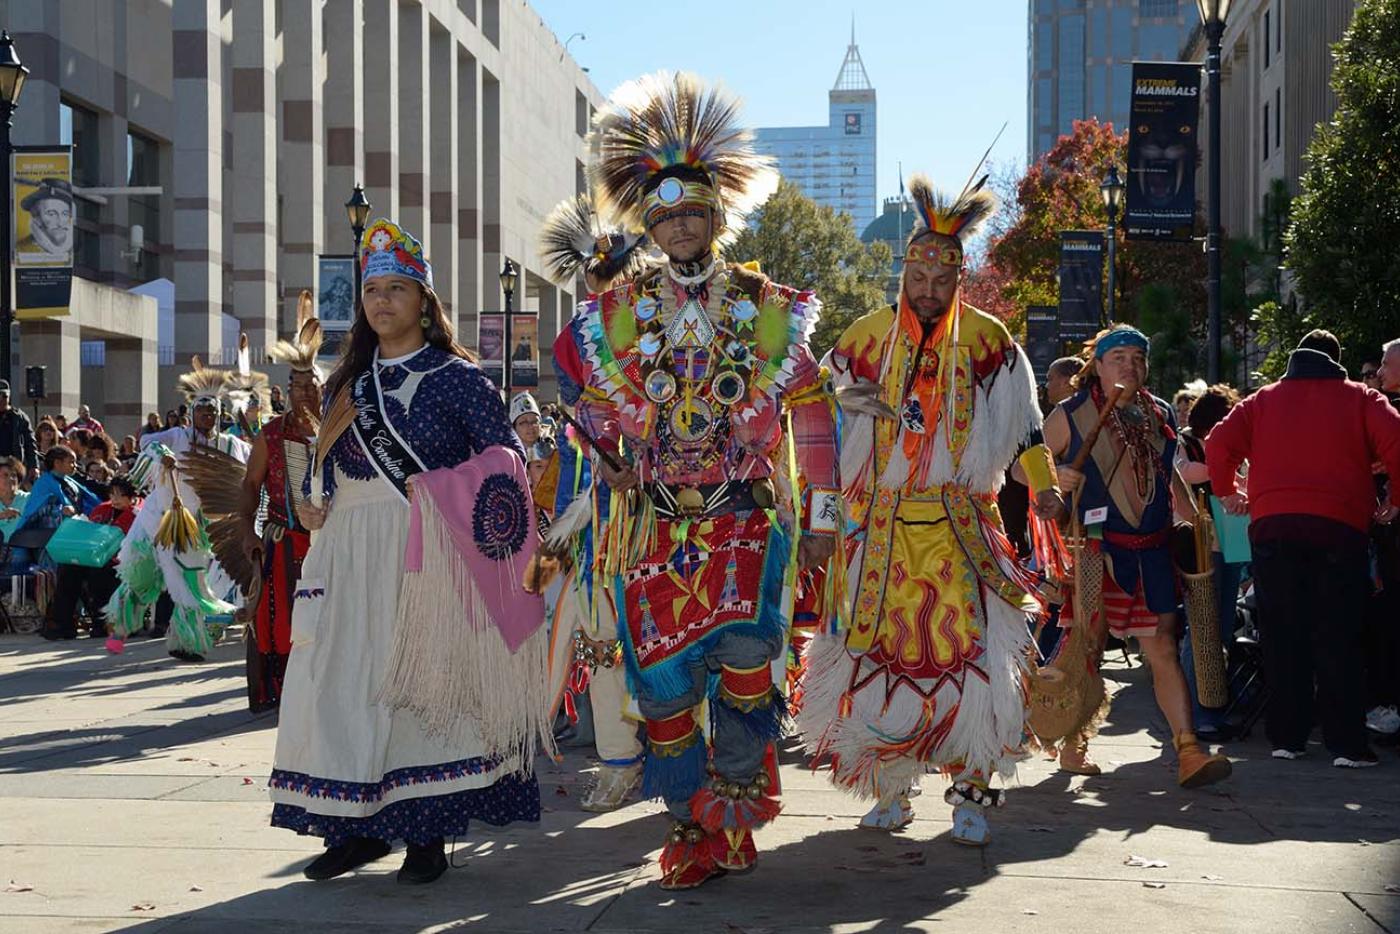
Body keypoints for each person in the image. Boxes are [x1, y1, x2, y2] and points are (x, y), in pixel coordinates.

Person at [551, 72, 836, 890]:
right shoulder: (617, 313)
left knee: (748, 667)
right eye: (665, 213)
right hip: (654, 525)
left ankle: (736, 821)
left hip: (744, 519)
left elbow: (811, 412)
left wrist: (819, 517)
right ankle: (689, 822)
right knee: (665, 689)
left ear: (718, 215)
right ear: (651, 222)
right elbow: (595, 404)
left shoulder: (768, 305)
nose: (680, 224)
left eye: (694, 210)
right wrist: (606, 444)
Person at [270, 218, 542, 886]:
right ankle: (357, 828)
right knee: (345, 688)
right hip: (346, 551)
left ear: (424, 299)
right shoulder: (344, 384)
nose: (383, 301)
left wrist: (442, 493)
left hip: (427, 552)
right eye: (372, 291)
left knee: (423, 692)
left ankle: (427, 836)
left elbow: (510, 460)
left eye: (397, 288)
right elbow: (320, 470)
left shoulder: (457, 379)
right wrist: (307, 501)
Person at [797, 172, 1063, 847]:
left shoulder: (987, 340)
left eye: (942, 278)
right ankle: (892, 788)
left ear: (959, 277)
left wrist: (1044, 486)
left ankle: (971, 792)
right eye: (918, 273)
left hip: (961, 527)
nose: (928, 288)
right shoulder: (864, 336)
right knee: (874, 656)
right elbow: (819, 424)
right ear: (904, 271)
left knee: (977, 660)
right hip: (878, 529)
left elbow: (1026, 427)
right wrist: (822, 523)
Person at [1044, 326, 1232, 788]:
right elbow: (1024, 466)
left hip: (1152, 552)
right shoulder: (1069, 415)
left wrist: (1195, 525)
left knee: (1163, 648)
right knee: (1087, 647)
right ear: (1098, 365)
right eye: (1118, 357)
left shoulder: (1158, 412)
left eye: (1137, 357)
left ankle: (1188, 749)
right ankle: (1072, 743)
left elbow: (1169, 477)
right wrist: (1057, 479)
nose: (1130, 365)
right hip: (1096, 550)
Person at [1208, 330, 1400, 768]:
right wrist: (1395, 501)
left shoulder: (1262, 400)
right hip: (1340, 526)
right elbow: (1397, 441)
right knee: (1339, 635)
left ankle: (1286, 737)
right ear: (1338, 361)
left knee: (1281, 633)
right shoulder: (1360, 399)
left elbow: (1219, 443)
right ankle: (1346, 745)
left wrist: (1227, 490)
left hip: (1275, 524)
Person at [107, 360, 253, 661]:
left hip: (192, 529)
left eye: (212, 411)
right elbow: (146, 443)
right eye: (202, 410)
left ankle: (183, 642)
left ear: (220, 414)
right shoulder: (176, 436)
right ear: (192, 414)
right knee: (138, 577)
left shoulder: (231, 445)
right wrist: (162, 454)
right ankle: (118, 627)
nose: (207, 415)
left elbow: (257, 461)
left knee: (190, 585)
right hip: (155, 520)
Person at [236, 311, 323, 713]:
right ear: (286, 391)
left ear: (322, 388)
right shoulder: (270, 436)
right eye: (296, 386)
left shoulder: (340, 432)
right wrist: (247, 532)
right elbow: (250, 485)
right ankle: (284, 690)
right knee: (280, 620)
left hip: (328, 543)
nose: (304, 393)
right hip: (283, 540)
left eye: (310, 386)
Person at [1175, 383, 1244, 738]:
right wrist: (1224, 466)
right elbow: (1186, 473)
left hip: (1230, 539)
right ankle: (1197, 713)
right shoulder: (1183, 442)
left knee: (1223, 625)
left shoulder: (1234, 445)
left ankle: (1213, 707)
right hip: (1200, 544)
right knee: (1200, 627)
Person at [44, 477, 139, 641]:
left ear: (130, 497)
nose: (115, 499)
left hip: (122, 562)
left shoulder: (138, 514)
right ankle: (62, 623)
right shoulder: (102, 509)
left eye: (120, 495)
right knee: (68, 568)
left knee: (99, 572)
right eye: (112, 495)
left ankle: (101, 621)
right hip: (94, 556)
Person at [16, 178, 74, 257]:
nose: (60, 222)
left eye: (65, 214)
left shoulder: (75, 247)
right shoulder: (21, 249)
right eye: (51, 214)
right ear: (37, 218)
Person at [0, 380, 38, 482]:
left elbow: (30, 443)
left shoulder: (19, 417)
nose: (1, 400)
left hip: (13, 464)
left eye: (4, 396)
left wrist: (34, 466)